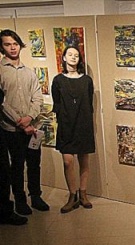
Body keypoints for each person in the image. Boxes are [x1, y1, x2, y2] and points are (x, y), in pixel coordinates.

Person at [0, 29, 48, 216]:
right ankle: (20, 200)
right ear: (2, 47)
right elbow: (2, 103)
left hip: (33, 128)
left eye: (15, 44)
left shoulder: (29, 72)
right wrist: (20, 122)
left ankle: (35, 196)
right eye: (7, 44)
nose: (12, 48)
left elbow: (38, 97)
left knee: (34, 164)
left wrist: (29, 118)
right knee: (17, 166)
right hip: (11, 130)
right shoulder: (1, 72)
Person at [51, 46, 95, 213]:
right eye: (70, 54)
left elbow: (89, 104)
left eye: (76, 55)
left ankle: (83, 194)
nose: (73, 57)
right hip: (66, 125)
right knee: (68, 161)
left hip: (83, 124)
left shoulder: (87, 80)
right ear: (63, 58)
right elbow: (57, 104)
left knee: (84, 161)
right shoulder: (58, 80)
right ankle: (72, 195)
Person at [0, 86, 27, 225]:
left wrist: (28, 118)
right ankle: (5, 211)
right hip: (7, 128)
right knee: (4, 171)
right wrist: (20, 121)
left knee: (4, 171)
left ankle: (5, 211)